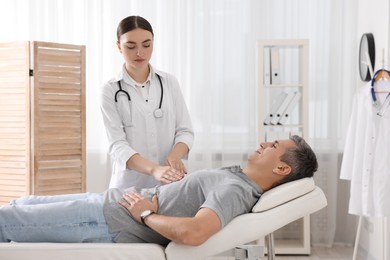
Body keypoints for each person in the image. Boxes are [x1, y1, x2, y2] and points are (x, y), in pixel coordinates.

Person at [0, 136, 318, 246]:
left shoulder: (236, 190)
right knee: (21, 204)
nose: (263, 143)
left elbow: (195, 233)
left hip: (106, 220)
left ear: (281, 169)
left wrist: (147, 213)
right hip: (105, 205)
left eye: (273, 146)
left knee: (8, 220)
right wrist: (181, 188)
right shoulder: (235, 179)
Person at [100, 15, 194, 189]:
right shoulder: (110, 89)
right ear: (118, 46)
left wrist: (174, 156)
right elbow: (117, 145)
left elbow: (185, 131)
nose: (140, 52)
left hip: (171, 183)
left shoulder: (169, 82)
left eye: (146, 44)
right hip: (129, 186)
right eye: (130, 46)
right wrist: (154, 170)